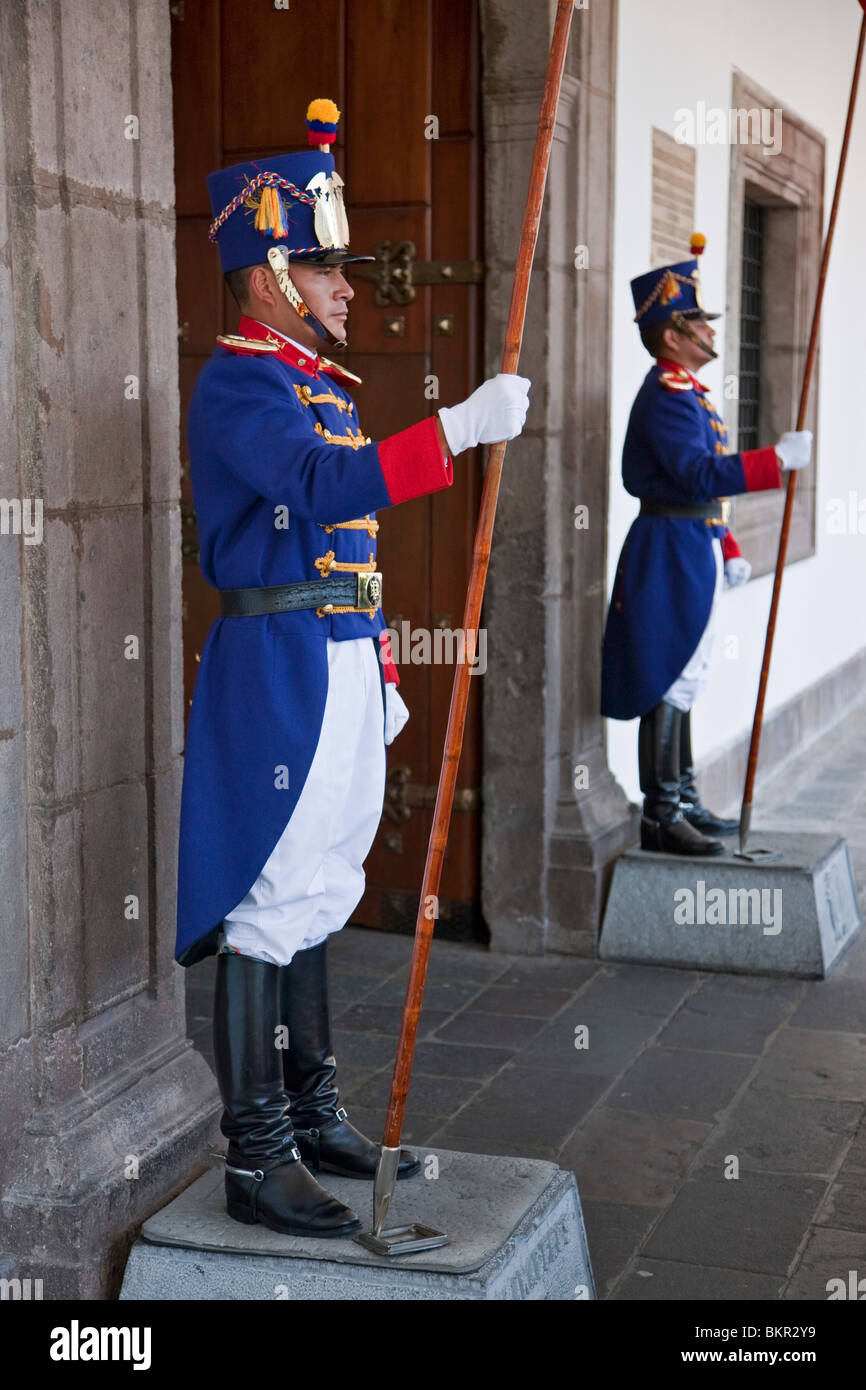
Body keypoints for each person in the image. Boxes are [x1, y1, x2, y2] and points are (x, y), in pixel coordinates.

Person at [175, 99, 530, 1238]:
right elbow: (324, 495)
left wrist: (376, 658)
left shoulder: (320, 386)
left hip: (331, 660)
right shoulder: (241, 382)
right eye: (324, 267)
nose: (347, 285)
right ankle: (255, 1153)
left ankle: (313, 1108)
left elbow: (349, 554)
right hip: (273, 663)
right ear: (271, 274)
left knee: (323, 885)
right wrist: (457, 429)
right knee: (269, 901)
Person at [602, 235, 811, 857]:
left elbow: (702, 491)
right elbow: (695, 475)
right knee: (668, 676)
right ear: (672, 335)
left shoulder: (689, 394)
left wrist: (727, 544)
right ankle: (661, 814)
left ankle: (683, 797)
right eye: (697, 323)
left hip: (690, 542)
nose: (708, 333)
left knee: (687, 675)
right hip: (667, 548)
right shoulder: (667, 396)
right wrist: (772, 461)